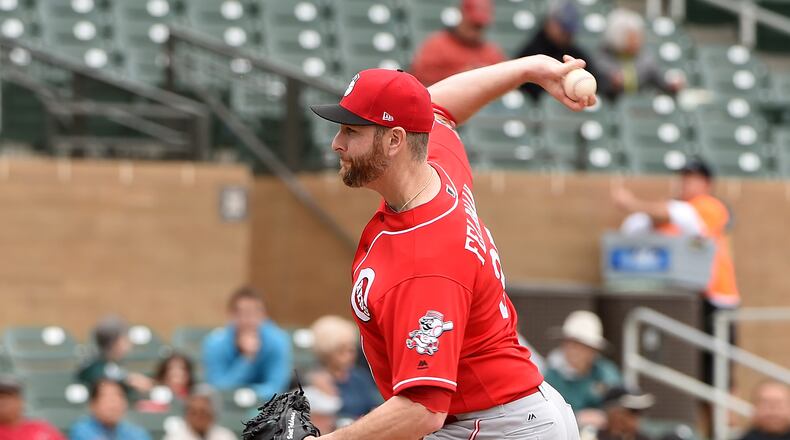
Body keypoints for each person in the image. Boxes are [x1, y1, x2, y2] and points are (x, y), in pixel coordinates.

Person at [308, 54, 594, 439]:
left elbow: (422, 410)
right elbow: (436, 106)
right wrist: (529, 69)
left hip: (496, 427)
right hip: (495, 415)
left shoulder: (426, 260)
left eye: (351, 131)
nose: (336, 144)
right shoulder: (434, 164)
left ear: (395, 141)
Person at [612, 158, 740, 379]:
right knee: (694, 375)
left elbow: (675, 215)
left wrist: (632, 203)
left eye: (693, 179)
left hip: (716, 300)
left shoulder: (709, 206)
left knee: (719, 378)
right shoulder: (673, 210)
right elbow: (635, 226)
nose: (685, 183)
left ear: (707, 184)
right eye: (684, 178)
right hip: (685, 301)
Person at [202, 286, 292, 398]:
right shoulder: (214, 344)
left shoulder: (279, 340)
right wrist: (247, 359)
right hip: (227, 406)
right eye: (243, 314)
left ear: (264, 315)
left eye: (255, 313)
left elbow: (276, 387)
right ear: (231, 315)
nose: (249, 320)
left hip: (266, 407)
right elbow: (218, 388)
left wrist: (249, 394)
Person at [544, 311, 622, 428]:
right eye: (570, 343)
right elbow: (545, 414)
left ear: (594, 350)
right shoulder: (550, 377)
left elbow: (620, 403)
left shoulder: (606, 373)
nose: (573, 350)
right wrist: (577, 417)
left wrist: (604, 416)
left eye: (581, 345)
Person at [515, 1, 599, 100]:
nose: (567, 35)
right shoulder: (532, 52)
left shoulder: (576, 54)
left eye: (569, 31)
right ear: (550, 23)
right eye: (563, 30)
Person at [410, 0, 505, 86]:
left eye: (479, 26)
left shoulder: (491, 53)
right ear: (461, 16)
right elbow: (419, 82)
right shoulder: (437, 45)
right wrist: (459, 76)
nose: (475, 30)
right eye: (472, 24)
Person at [596, 8, 684, 100]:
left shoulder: (646, 59)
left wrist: (672, 86)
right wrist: (614, 84)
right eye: (632, 38)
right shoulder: (603, 60)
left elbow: (660, 82)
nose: (637, 42)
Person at [308, 316, 381, 420]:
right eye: (342, 351)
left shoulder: (361, 378)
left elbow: (374, 407)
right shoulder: (312, 380)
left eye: (352, 350)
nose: (350, 356)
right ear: (327, 353)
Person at [76, 315, 154, 396]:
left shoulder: (114, 364)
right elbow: (94, 372)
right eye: (125, 339)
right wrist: (128, 379)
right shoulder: (94, 366)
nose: (129, 343)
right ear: (114, 343)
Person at [70, 378, 151, 440]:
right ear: (93, 404)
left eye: (119, 396)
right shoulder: (81, 430)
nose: (114, 404)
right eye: (107, 398)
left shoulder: (137, 434)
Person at [0, 374, 65, 440]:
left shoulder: (43, 429)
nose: (3, 403)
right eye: (1, 398)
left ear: (20, 401)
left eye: (9, 397)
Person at [163, 384, 237, 440]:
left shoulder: (225, 436)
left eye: (203, 412)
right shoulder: (174, 437)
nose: (198, 417)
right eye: (194, 413)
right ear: (186, 415)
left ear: (213, 414)